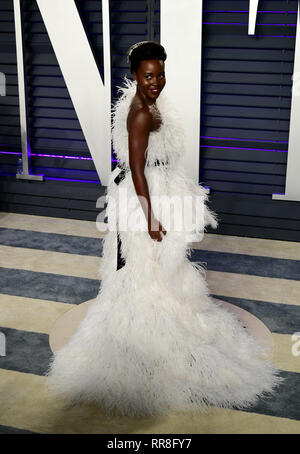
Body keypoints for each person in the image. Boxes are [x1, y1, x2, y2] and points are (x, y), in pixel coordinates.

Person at [44, 41, 282, 417]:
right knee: (146, 267)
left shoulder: (149, 105)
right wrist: (150, 215)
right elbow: (137, 168)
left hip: (155, 191)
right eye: (149, 75)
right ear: (135, 76)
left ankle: (159, 310)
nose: (156, 82)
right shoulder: (139, 113)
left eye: (160, 74)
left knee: (158, 267)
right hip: (145, 197)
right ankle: (144, 327)